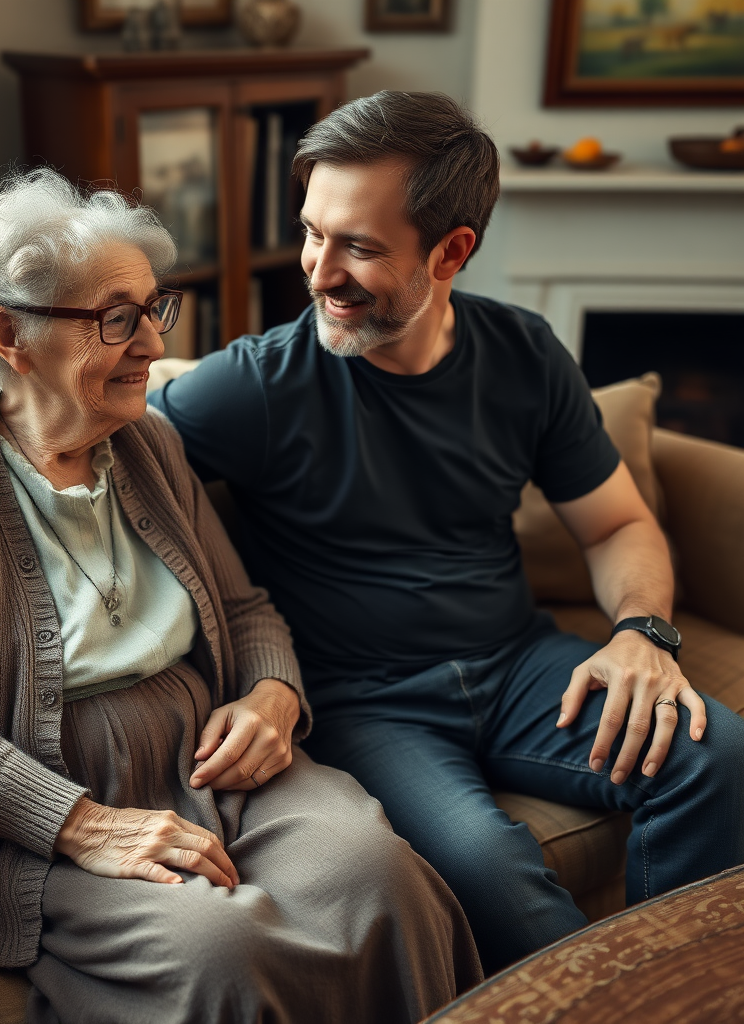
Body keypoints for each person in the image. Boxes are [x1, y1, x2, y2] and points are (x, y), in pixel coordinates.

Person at [0, 168, 481, 1024]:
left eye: (152, 310)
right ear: (11, 334)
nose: (149, 343)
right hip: (50, 799)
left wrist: (272, 694)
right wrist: (81, 824)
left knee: (387, 882)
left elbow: (245, 608)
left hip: (216, 759)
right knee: (220, 954)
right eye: (115, 319)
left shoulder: (149, 443)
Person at [148, 91, 744, 975]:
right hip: (365, 703)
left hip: (516, 666)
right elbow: (100, 450)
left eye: (358, 246)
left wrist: (641, 634)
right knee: (485, 869)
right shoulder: (255, 387)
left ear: (452, 250)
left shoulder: (525, 354)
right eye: (313, 231)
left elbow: (618, 522)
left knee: (716, 754)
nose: (316, 271)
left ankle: (677, 990)